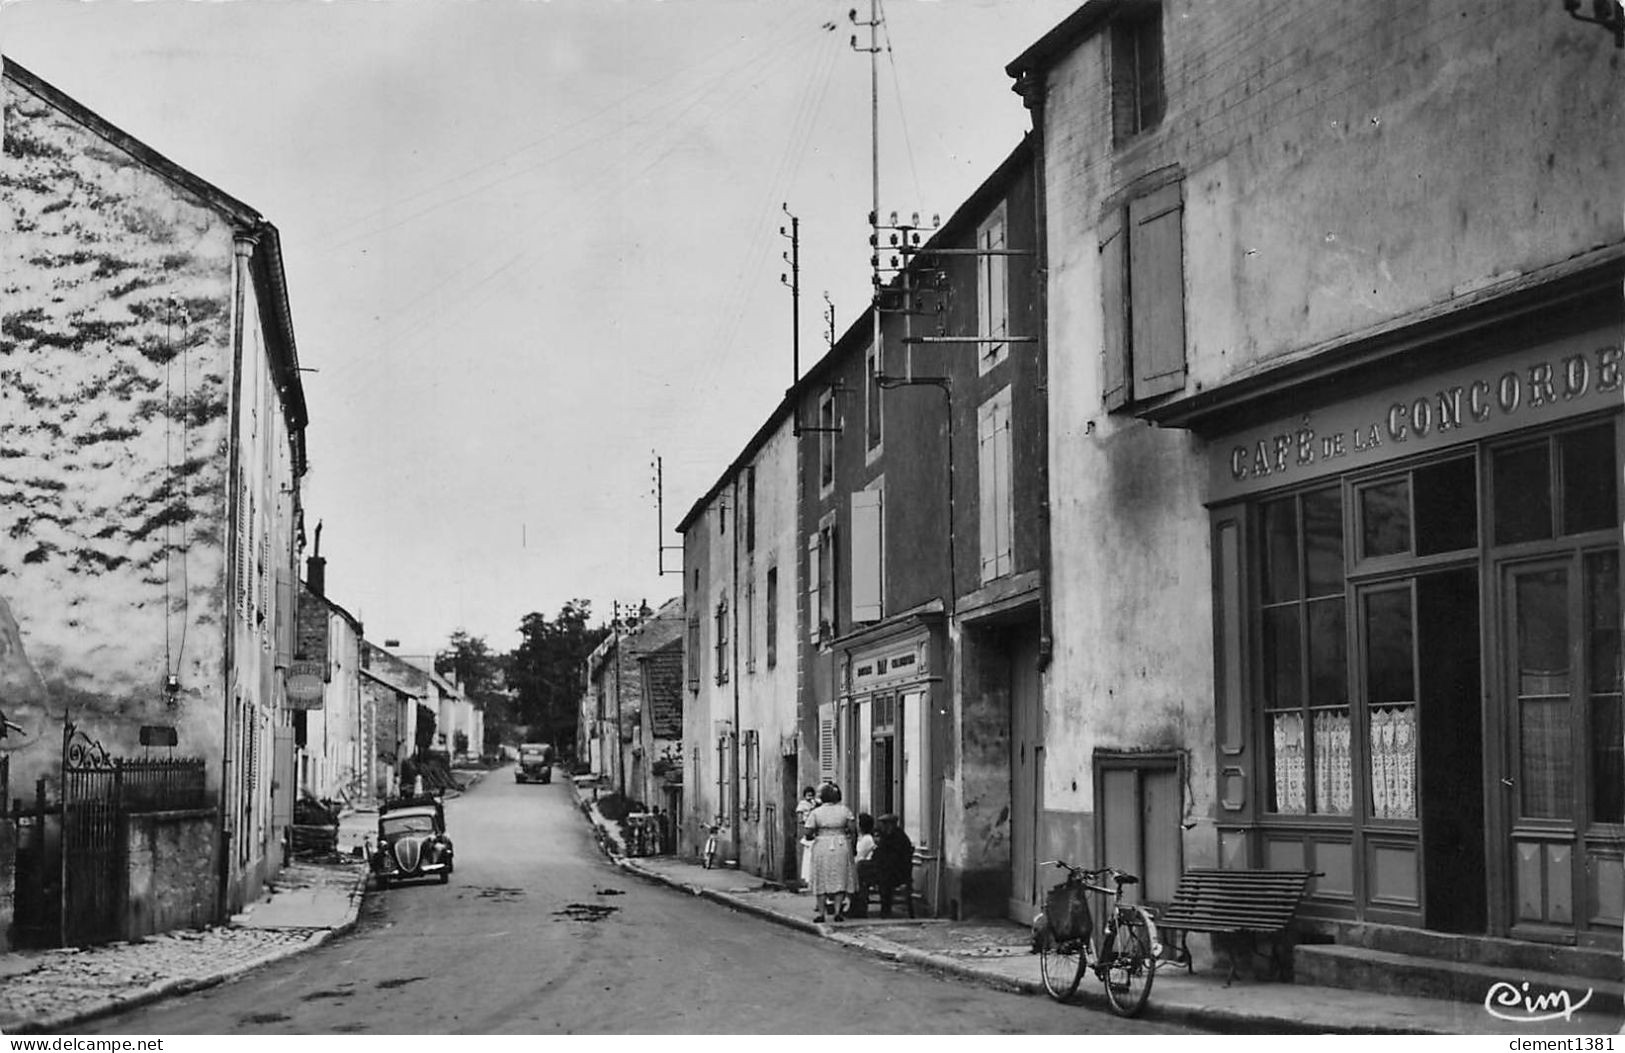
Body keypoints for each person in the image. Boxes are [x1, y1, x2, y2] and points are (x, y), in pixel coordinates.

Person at [803, 782, 856, 922]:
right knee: (840, 876)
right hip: (841, 843)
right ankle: (838, 911)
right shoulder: (845, 810)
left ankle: (822, 913)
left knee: (821, 876)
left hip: (822, 843)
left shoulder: (816, 812)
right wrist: (851, 844)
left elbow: (808, 831)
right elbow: (852, 829)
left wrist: (813, 835)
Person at [873, 813, 914, 918]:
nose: (881, 827)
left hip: (897, 872)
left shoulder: (897, 838)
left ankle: (884, 909)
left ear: (889, 825)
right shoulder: (889, 836)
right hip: (889, 869)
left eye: (883, 824)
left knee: (883, 879)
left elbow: (892, 858)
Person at [851, 812, 877, 918]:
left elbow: (860, 856)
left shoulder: (867, 839)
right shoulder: (862, 838)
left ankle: (857, 907)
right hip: (863, 866)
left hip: (866, 868)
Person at [794, 786, 817, 891]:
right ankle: (808, 880)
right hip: (809, 831)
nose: (810, 797)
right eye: (808, 795)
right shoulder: (802, 805)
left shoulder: (815, 803)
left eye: (811, 795)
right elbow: (800, 819)